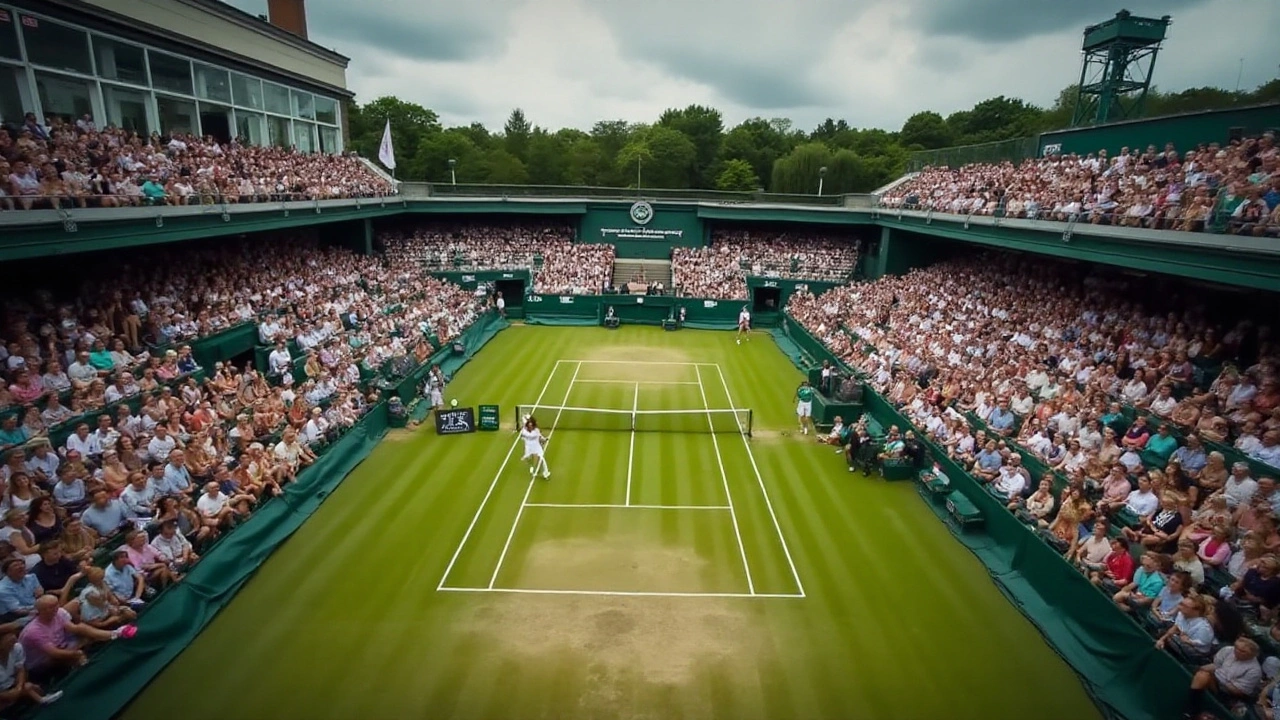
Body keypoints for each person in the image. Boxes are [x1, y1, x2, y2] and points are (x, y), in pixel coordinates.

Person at [0, 629, 60, 708]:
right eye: (7, 637)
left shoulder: (17, 648)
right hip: (2, 692)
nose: (13, 638)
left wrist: (19, 688)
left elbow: (20, 670)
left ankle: (43, 699)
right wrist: (7, 695)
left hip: (12, 685)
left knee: (31, 687)